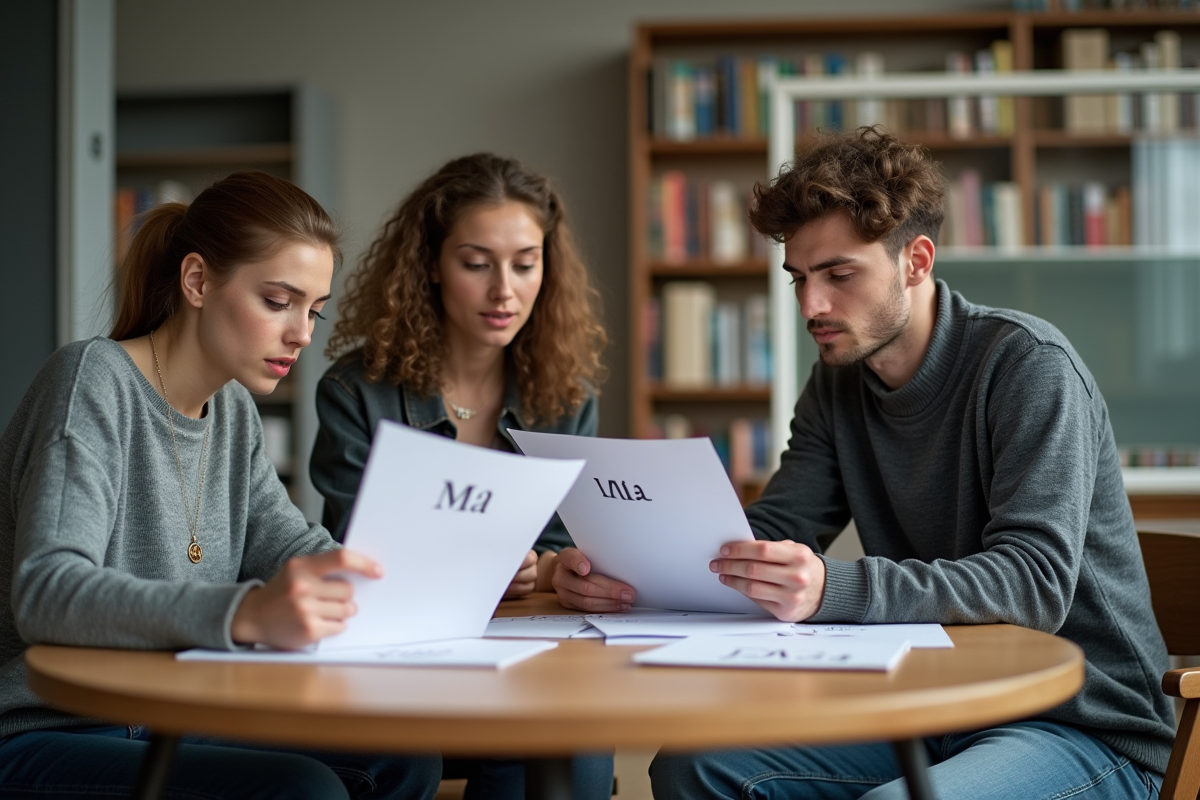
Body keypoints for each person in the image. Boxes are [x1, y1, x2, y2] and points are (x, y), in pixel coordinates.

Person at [556, 128, 1174, 799]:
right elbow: (774, 530)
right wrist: (624, 567)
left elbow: (1034, 585)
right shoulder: (837, 383)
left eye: (839, 275)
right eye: (799, 278)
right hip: (936, 704)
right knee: (693, 766)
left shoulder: (1028, 367)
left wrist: (832, 589)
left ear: (916, 260)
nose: (810, 307)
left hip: (1081, 724)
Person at [0, 171, 442, 799]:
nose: (302, 334)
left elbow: (291, 544)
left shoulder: (231, 411)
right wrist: (245, 613)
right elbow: (47, 592)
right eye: (277, 301)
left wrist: (431, 576)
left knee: (405, 758)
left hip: (170, 717)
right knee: (301, 788)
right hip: (49, 728)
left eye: (313, 310)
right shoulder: (91, 381)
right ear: (198, 281)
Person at [310, 153, 612, 799]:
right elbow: (352, 545)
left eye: (526, 264)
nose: (505, 290)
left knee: (573, 746)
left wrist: (551, 566)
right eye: (476, 263)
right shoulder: (356, 390)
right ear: (431, 265)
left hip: (526, 654)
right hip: (399, 660)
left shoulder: (565, 394)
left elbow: (562, 543)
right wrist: (483, 567)